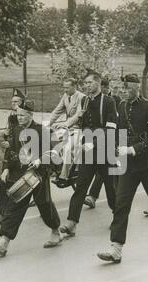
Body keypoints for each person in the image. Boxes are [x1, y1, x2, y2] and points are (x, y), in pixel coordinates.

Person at [97, 74, 148, 263]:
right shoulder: (122, 106)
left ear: (137, 88)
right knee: (121, 203)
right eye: (123, 89)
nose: (124, 92)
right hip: (128, 164)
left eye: (128, 88)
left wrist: (133, 149)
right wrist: (117, 149)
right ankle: (116, 248)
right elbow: (119, 132)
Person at [0, 102, 62, 256]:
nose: (19, 118)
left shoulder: (42, 131)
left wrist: (40, 160)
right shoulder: (16, 130)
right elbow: (10, 152)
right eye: (18, 115)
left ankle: (56, 230)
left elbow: (54, 152)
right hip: (21, 175)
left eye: (22, 115)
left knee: (44, 205)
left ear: (30, 115)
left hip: (39, 174)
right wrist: (6, 168)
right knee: (15, 206)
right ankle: (3, 242)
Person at [59, 71, 117, 237]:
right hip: (88, 151)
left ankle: (117, 218)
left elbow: (111, 129)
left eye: (90, 83)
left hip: (105, 150)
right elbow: (80, 120)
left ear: (98, 83)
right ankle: (71, 222)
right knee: (81, 186)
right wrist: (66, 125)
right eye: (85, 83)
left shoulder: (109, 101)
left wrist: (94, 142)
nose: (87, 86)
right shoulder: (84, 100)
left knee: (111, 188)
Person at [84, 78, 121, 210]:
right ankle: (93, 196)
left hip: (113, 138)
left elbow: (116, 124)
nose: (103, 90)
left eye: (105, 87)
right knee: (105, 171)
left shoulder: (114, 100)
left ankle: (95, 196)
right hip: (99, 140)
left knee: (109, 174)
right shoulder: (91, 100)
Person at [0, 89, 22, 226]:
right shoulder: (11, 116)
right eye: (12, 102)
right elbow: (9, 133)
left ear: (22, 103)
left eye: (16, 102)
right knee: (4, 181)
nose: (13, 104)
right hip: (10, 153)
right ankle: (1, 213)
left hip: (22, 154)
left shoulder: (24, 117)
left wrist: (12, 141)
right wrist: (6, 135)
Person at [48, 78, 85, 186]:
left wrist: (65, 124)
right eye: (64, 87)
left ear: (75, 87)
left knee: (69, 148)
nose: (65, 90)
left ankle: (64, 177)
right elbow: (57, 111)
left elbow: (78, 116)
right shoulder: (66, 97)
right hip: (68, 129)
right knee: (50, 138)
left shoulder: (81, 97)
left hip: (79, 129)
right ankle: (59, 166)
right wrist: (46, 124)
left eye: (67, 87)